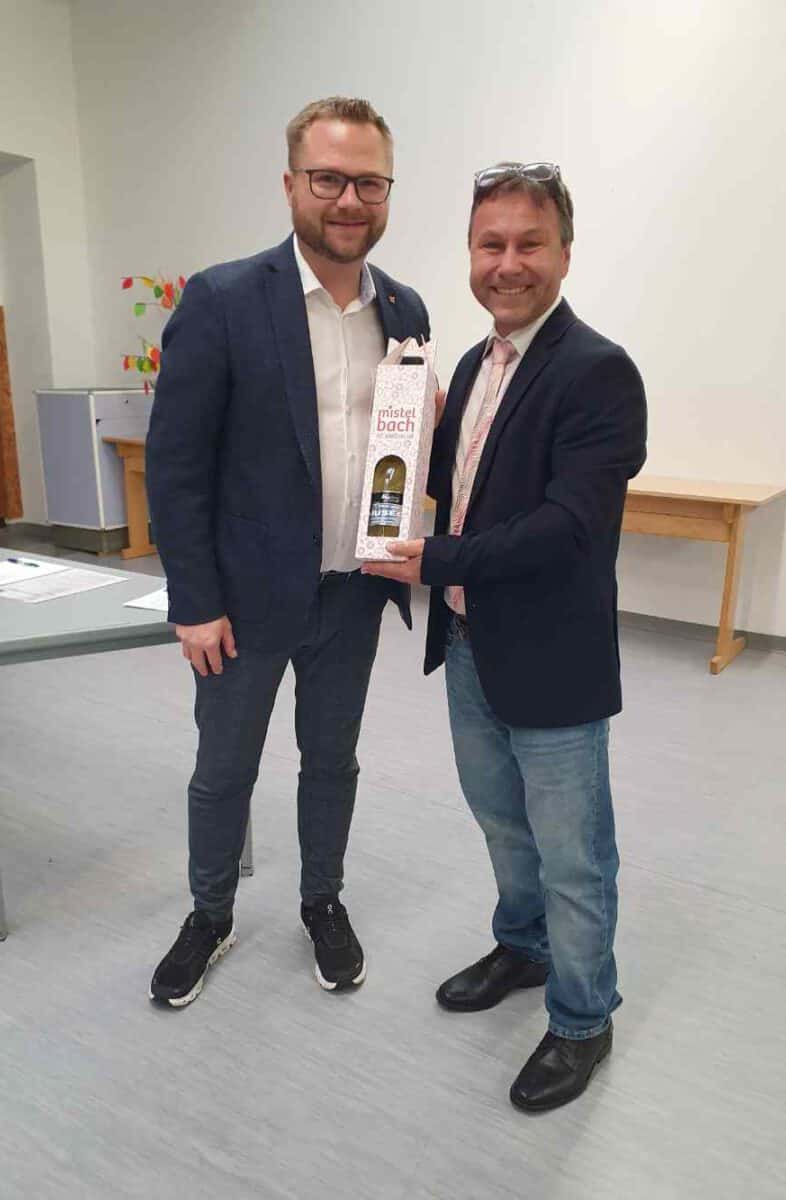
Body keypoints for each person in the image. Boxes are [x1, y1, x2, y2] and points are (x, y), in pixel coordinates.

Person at [363, 162, 646, 1111]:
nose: (509, 262)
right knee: (501, 822)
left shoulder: (597, 371)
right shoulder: (475, 366)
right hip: (469, 645)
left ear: (564, 253)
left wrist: (435, 560)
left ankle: (583, 1019)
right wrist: (400, 428)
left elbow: (569, 527)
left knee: (574, 853)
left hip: (553, 656)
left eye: (530, 243)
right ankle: (523, 948)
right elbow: (456, 488)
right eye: (492, 244)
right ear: (470, 254)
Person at [145, 97, 430, 1007]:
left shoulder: (405, 308)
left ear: (387, 192)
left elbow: (399, 444)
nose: (349, 200)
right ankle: (209, 915)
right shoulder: (224, 299)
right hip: (242, 600)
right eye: (329, 179)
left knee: (332, 761)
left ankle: (322, 901)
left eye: (369, 183)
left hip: (354, 592)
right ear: (291, 184)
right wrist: (193, 601)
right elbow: (177, 466)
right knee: (224, 769)